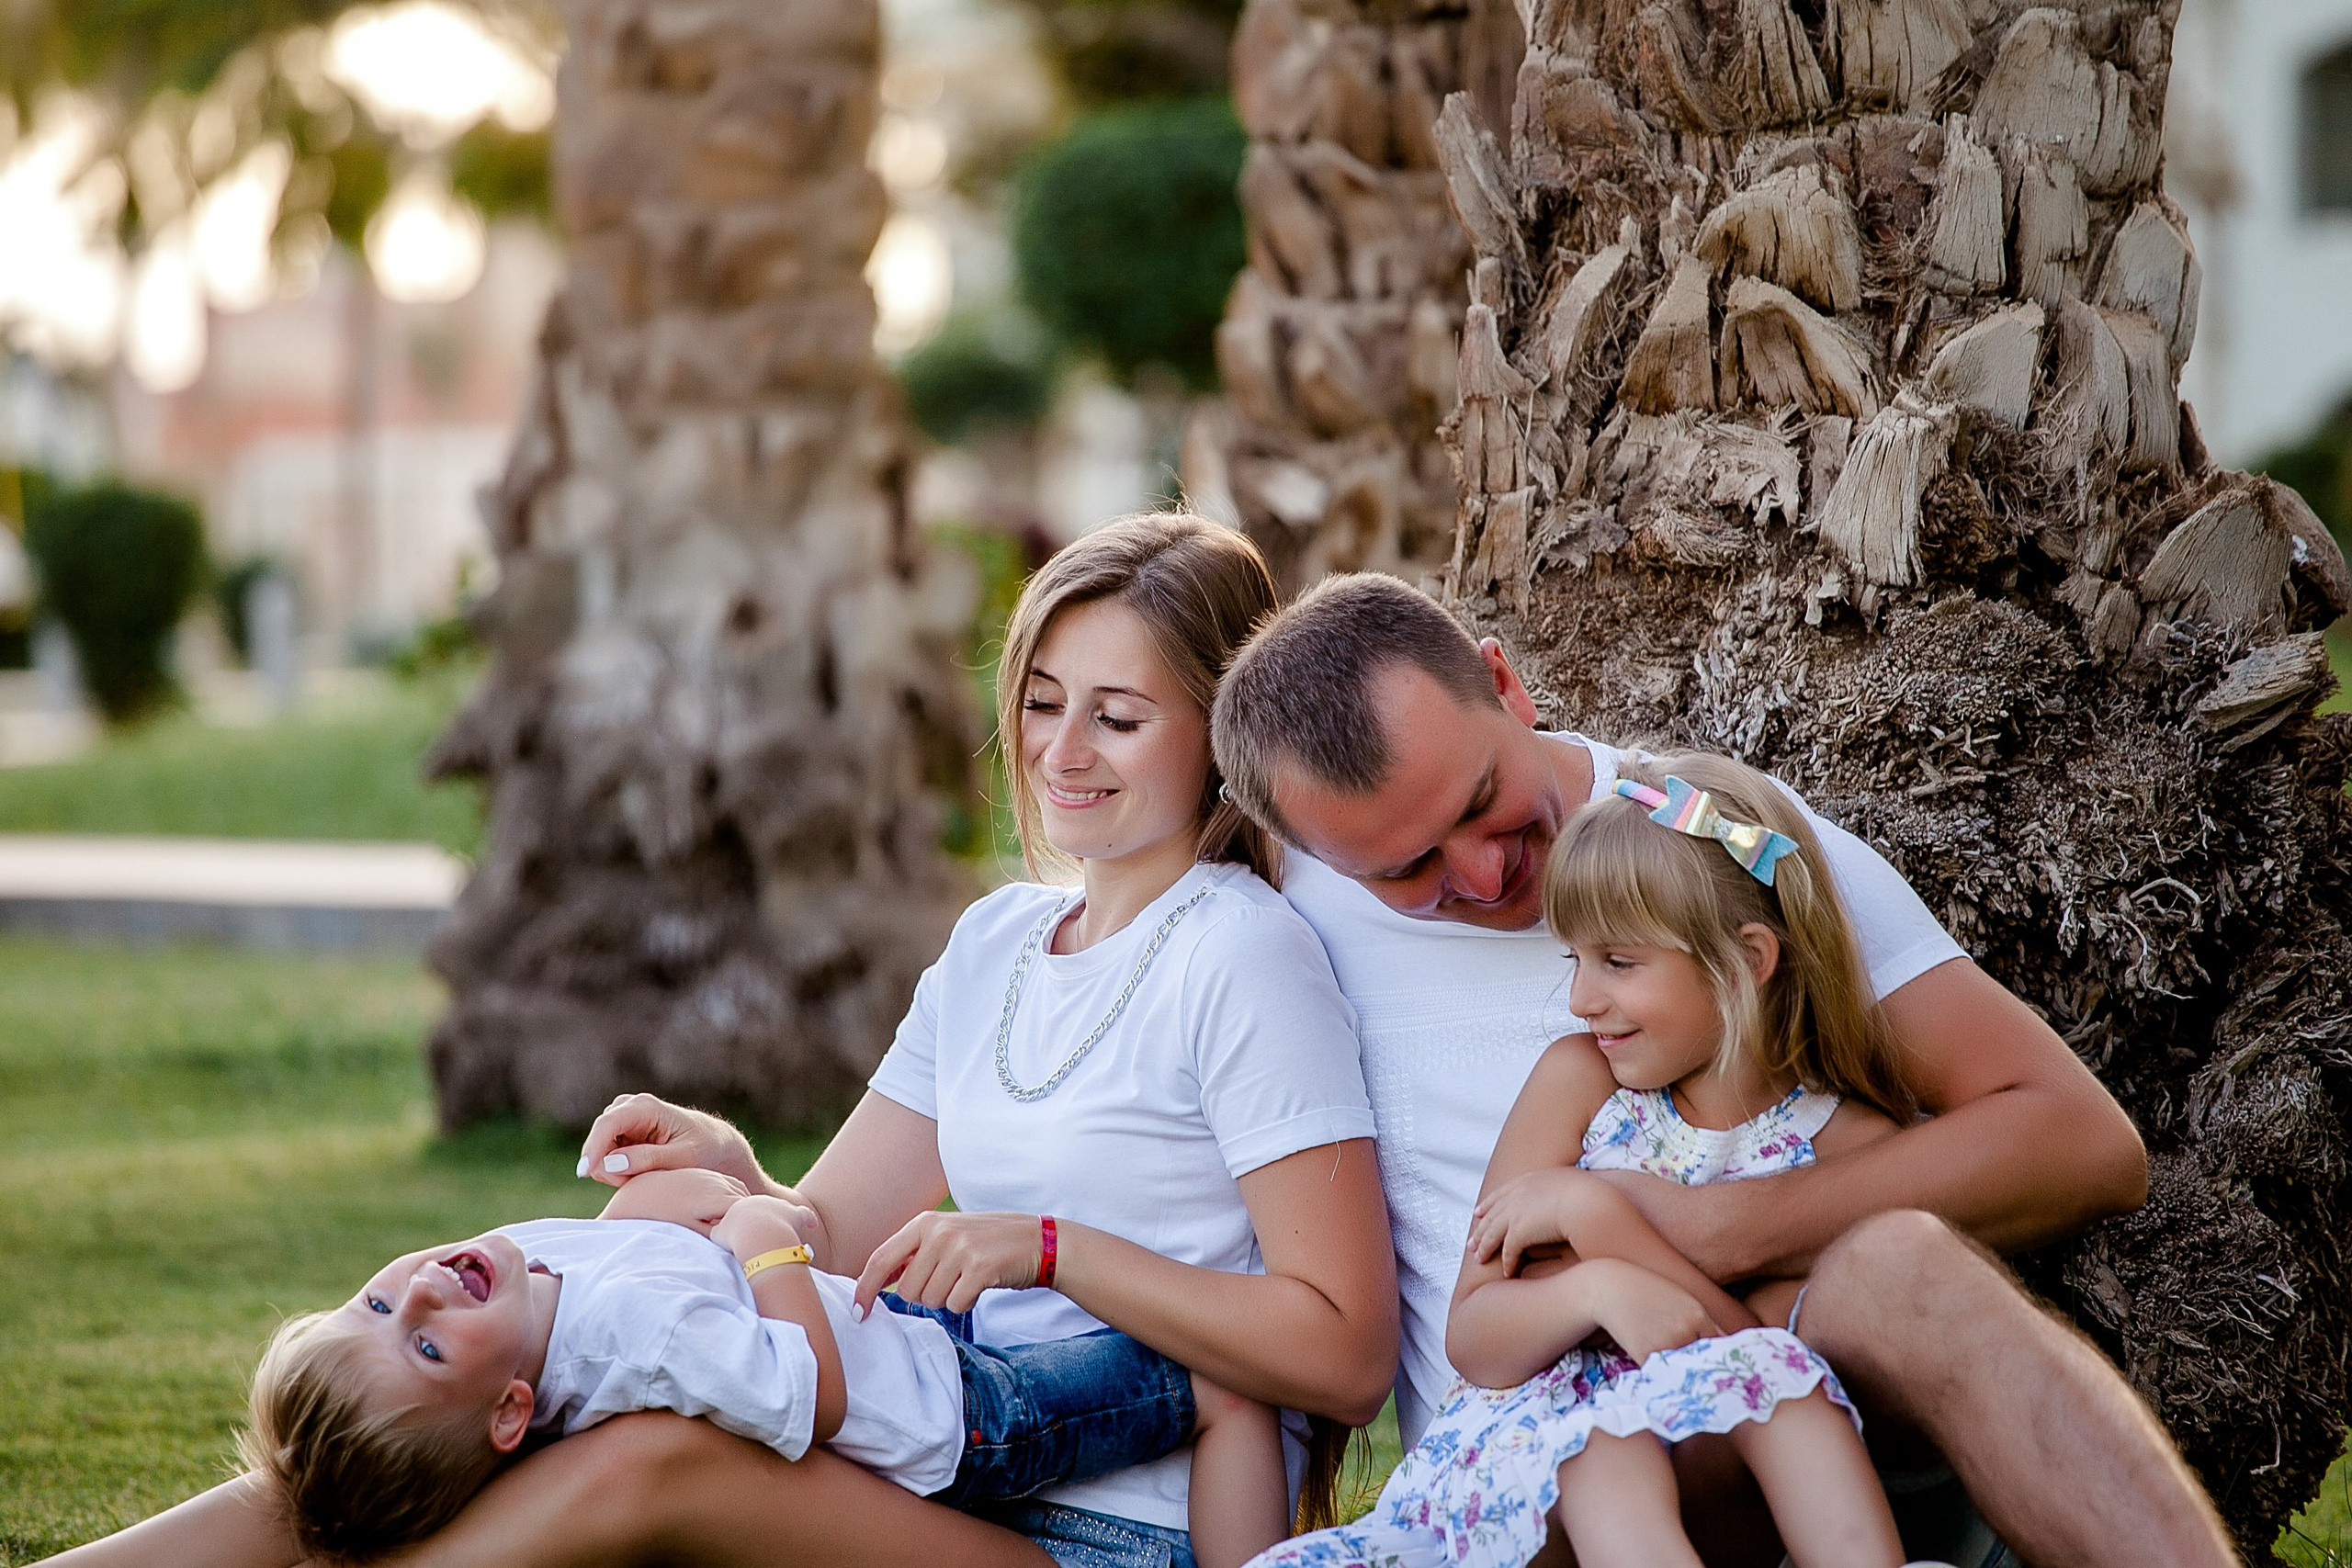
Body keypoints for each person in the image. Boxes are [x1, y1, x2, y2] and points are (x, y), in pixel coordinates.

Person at [46, 515, 1396, 1568]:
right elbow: (828, 1237)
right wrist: (739, 1173)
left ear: (1220, 738)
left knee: (642, 1458)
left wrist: (1047, 1248)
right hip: (938, 1451)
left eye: (1119, 714)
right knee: (403, 1392)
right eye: (1044, 700)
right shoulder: (998, 944)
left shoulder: (1242, 953)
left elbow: (1343, 1350)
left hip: (1119, 1518)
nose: (1061, 752)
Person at [1208, 573, 2235, 1568]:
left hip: (1787, 1407)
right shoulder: (1277, 912)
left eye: (1483, 800)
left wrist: (1709, 1228)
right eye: (1406, 872)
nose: (1480, 875)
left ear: (1505, 684)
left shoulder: (1706, 838)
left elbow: (2078, 1141)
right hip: (1531, 1465)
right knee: (1598, 1462)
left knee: (1904, 1268)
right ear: (1311, 857)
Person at [1253, 752, 1952, 1568]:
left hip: (1675, 1467)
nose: (1583, 998)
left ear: (1748, 960)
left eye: (1618, 962)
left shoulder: (1844, 1146)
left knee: (1638, 1447)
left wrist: (1600, 1221)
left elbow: (1758, 1360)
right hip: (1496, 1470)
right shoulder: (1580, 1082)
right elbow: (1475, 1335)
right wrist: (1595, 1289)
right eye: (1574, 959)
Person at [242, 1163, 1283, 1567]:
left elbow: (652, 1256)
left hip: (914, 1339)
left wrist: (666, 1201)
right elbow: (814, 1395)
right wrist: (765, 1243)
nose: (416, 1294)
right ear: (511, 1414)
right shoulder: (637, 1345)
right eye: (423, 1346)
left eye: (374, 1304)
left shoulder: (530, 1289)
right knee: (1220, 1377)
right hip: (961, 1417)